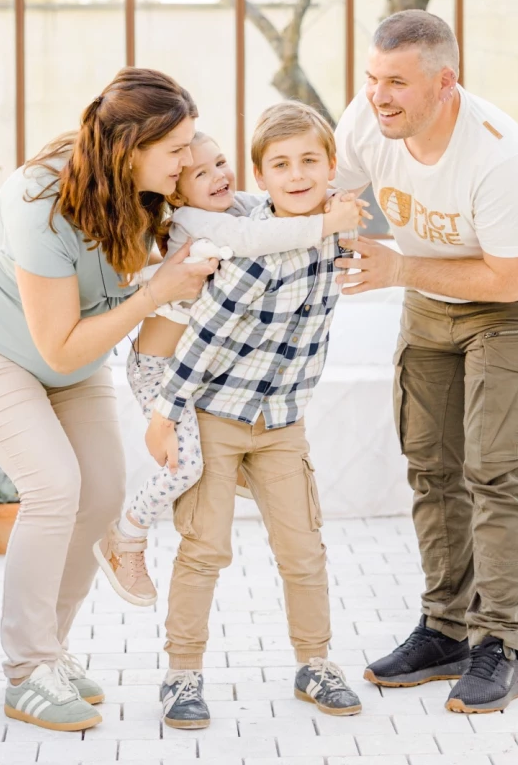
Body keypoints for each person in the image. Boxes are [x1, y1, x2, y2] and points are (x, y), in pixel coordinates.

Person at [0, 69, 220, 734]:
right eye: (176, 150)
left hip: (72, 352)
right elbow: (58, 348)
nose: (190, 160)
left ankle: (48, 653)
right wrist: (156, 290)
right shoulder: (42, 198)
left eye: (192, 145)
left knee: (104, 491)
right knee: (54, 485)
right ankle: (27, 672)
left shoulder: (153, 192)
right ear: (130, 147)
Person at [333, 11, 518, 715]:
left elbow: (511, 279)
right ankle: (446, 629)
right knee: (432, 464)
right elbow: (329, 194)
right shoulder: (365, 123)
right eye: (373, 79)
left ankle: (501, 645)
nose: (380, 97)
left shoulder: (497, 154)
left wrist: (398, 267)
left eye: (398, 84)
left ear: (446, 83)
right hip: (433, 288)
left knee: (496, 471)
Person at [143, 102, 363, 732]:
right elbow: (202, 341)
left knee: (303, 549)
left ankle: (314, 662)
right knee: (204, 547)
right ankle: (182, 672)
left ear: (329, 169)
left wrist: (347, 213)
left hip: (283, 423)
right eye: (281, 165)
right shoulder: (246, 247)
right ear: (259, 178)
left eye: (309, 162)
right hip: (216, 415)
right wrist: (166, 415)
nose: (297, 175)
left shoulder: (335, 228)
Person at [94, 129, 366, 608]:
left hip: (184, 366)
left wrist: (332, 200)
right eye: (201, 173)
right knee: (186, 465)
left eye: (221, 162)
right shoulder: (197, 219)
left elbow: (275, 207)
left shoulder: (228, 207)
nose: (220, 176)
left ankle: (233, 472)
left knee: (210, 454)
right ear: (177, 193)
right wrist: (327, 223)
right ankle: (125, 537)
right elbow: (256, 237)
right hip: (159, 370)